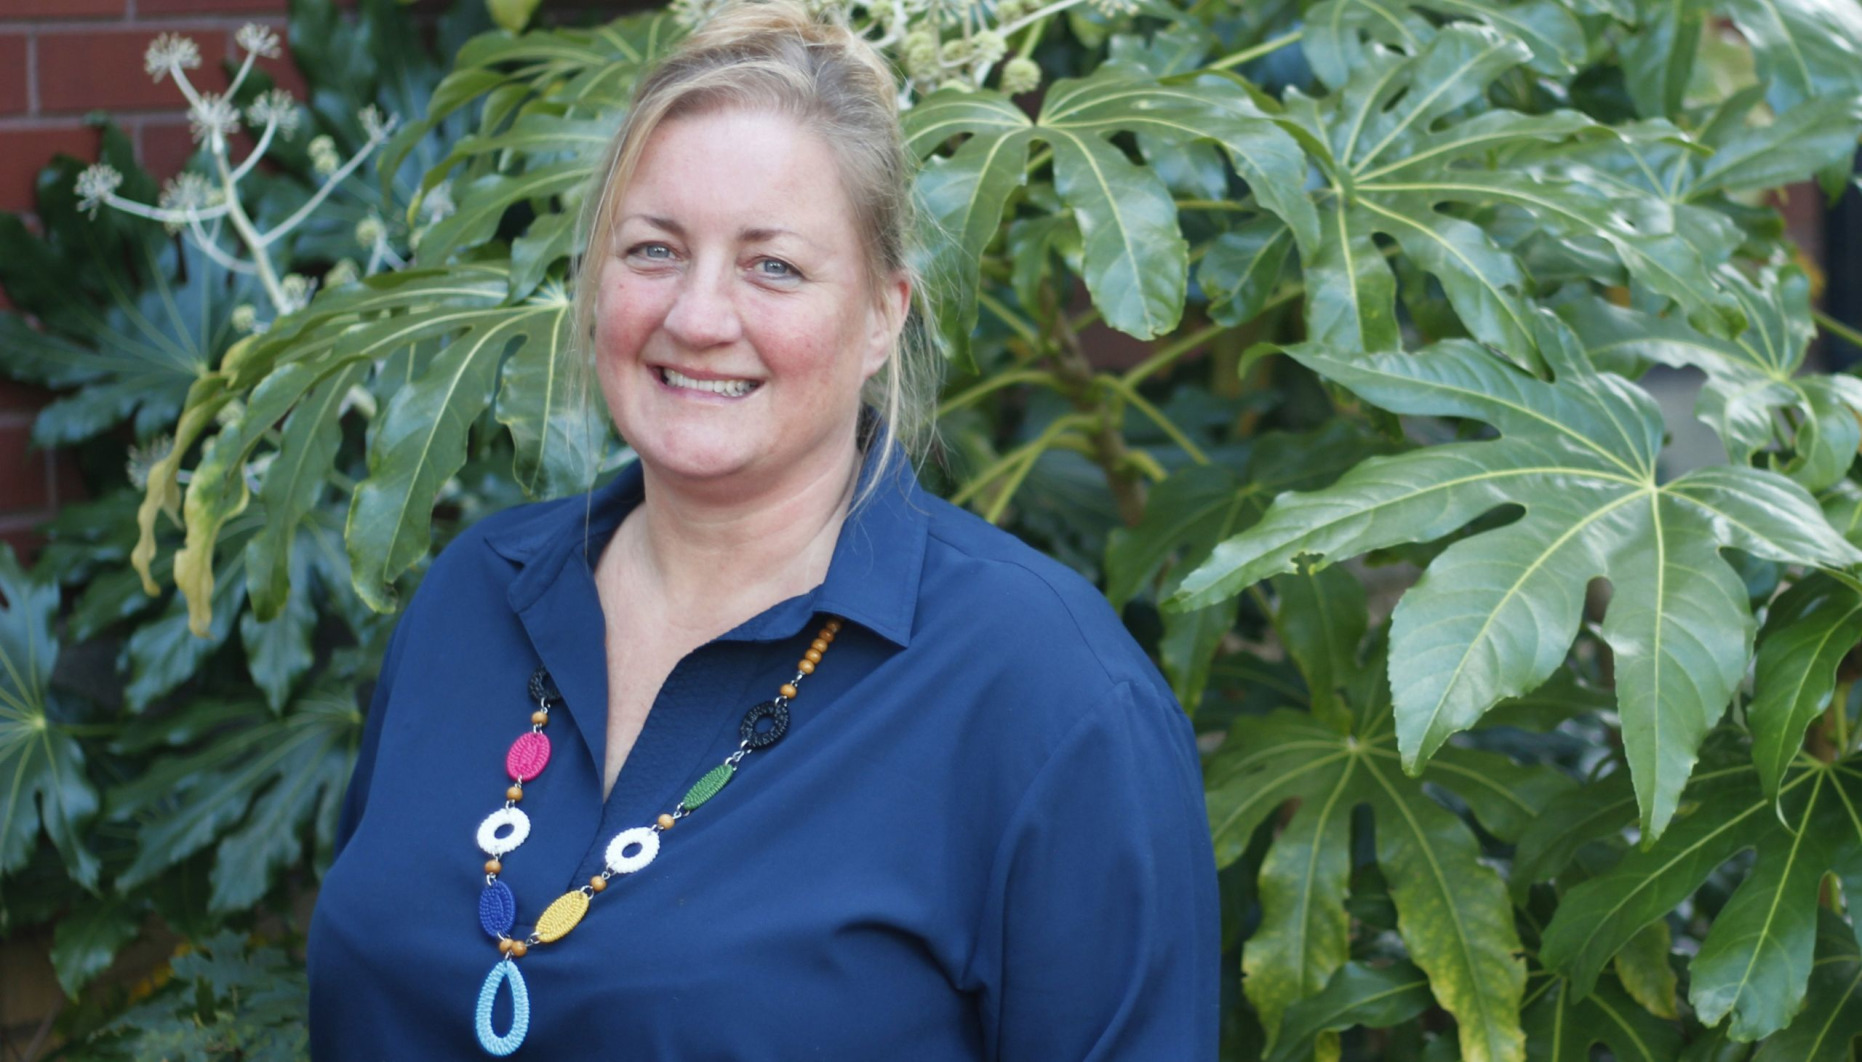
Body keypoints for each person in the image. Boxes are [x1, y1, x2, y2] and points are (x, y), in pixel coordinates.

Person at [305, 2, 1218, 1057]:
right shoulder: (475, 594)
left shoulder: (1048, 698)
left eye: (771, 266)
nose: (696, 316)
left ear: (882, 314)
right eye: (652, 249)